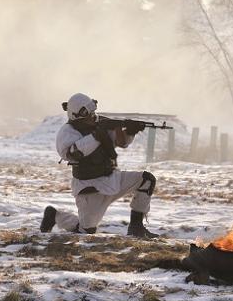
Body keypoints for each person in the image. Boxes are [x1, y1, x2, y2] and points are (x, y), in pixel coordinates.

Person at [40, 93, 159, 238]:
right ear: (77, 116)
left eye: (93, 113)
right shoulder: (67, 132)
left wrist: (129, 132)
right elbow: (72, 153)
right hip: (90, 188)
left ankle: (136, 227)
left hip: (112, 179)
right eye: (89, 115)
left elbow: (122, 143)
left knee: (146, 180)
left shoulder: (100, 123)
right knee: (85, 232)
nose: (93, 117)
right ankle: (55, 216)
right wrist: (96, 136)